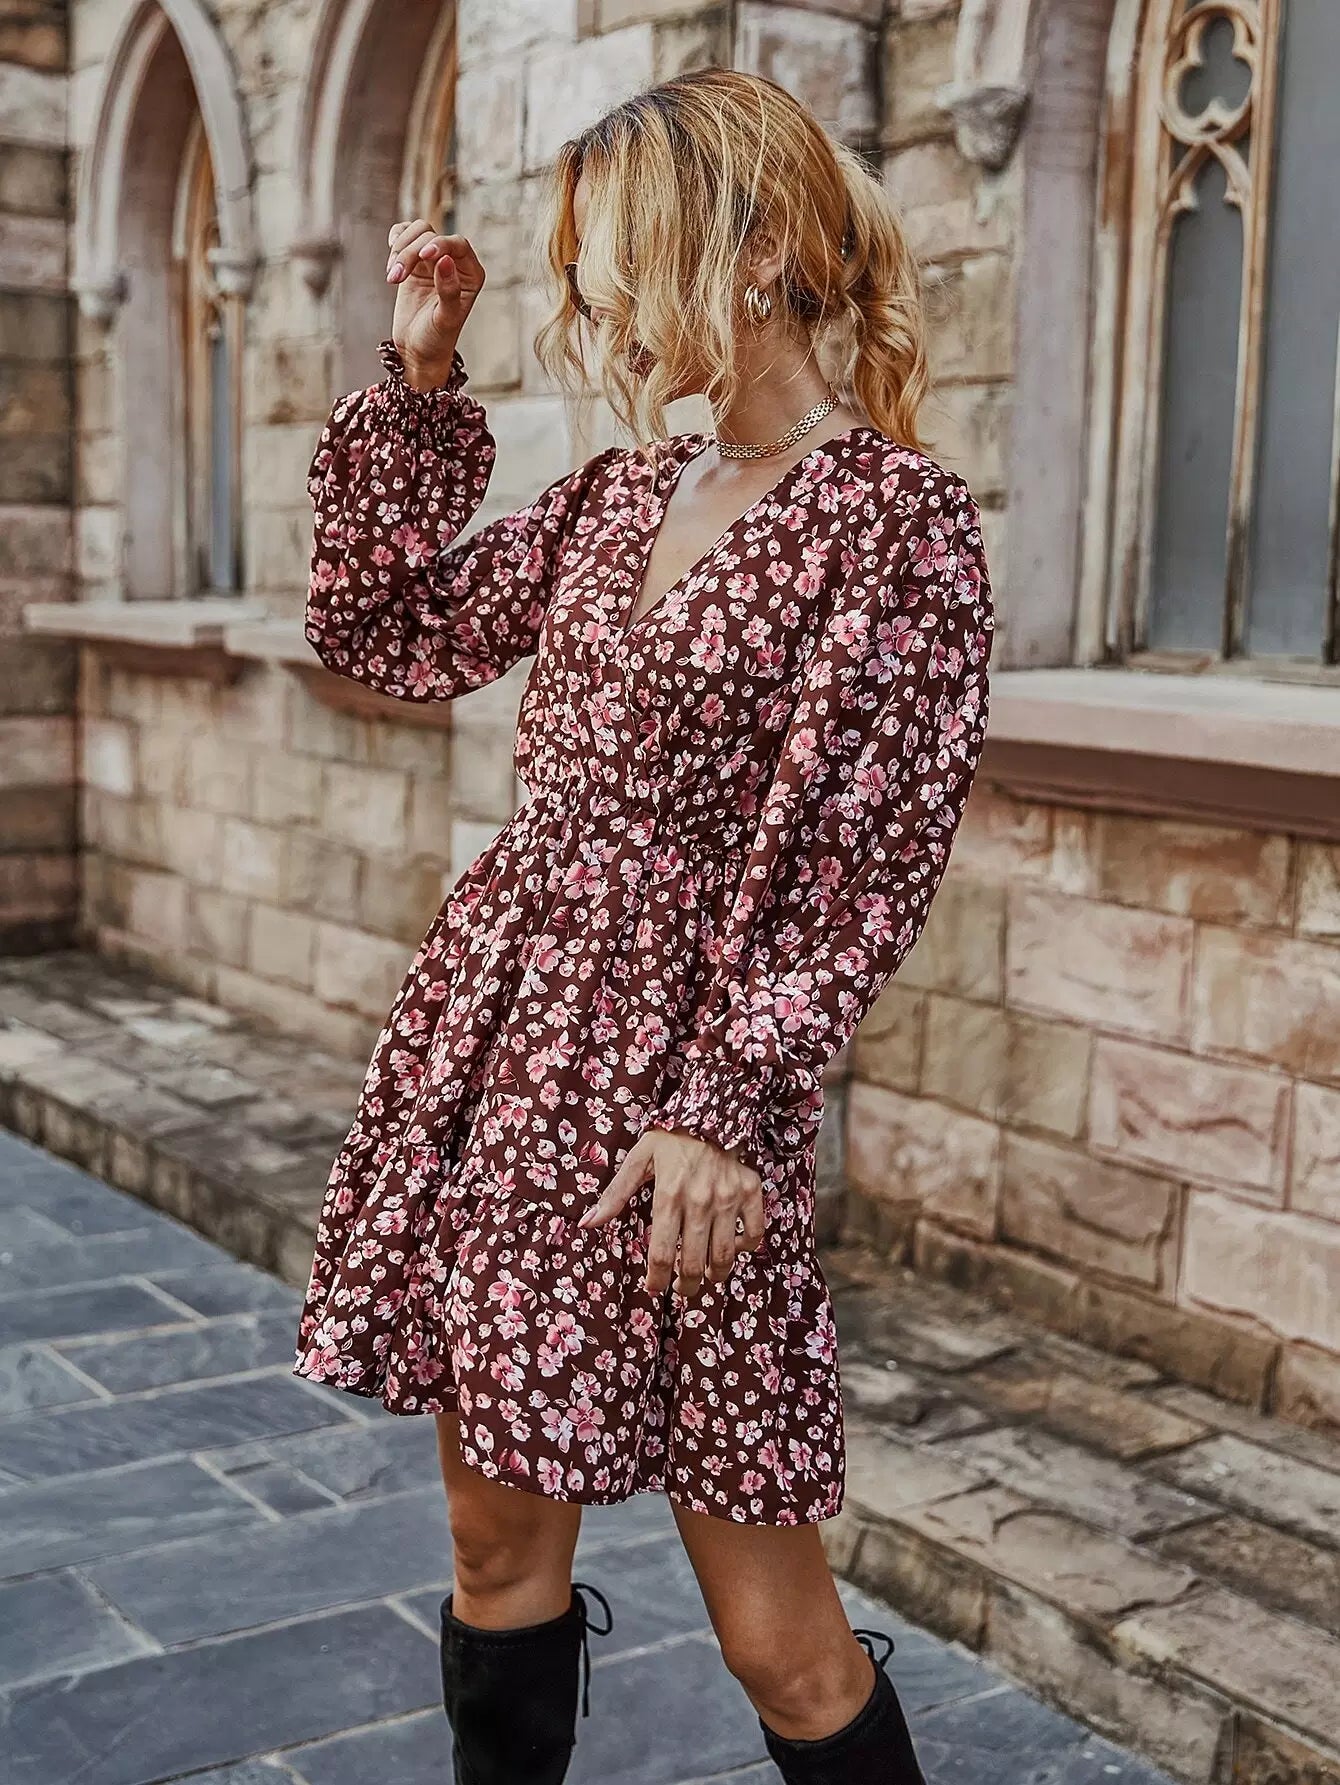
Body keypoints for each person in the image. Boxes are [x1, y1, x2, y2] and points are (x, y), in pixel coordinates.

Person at [294, 66, 993, 1785]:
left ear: (749, 252)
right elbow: (387, 629)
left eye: (611, 249)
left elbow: (863, 859)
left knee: (776, 1635)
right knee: (494, 1552)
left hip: (686, 1106)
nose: (588, 292)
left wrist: (729, 1105)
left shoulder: (894, 523)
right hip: (513, 1067)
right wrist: (422, 373)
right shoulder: (618, 497)